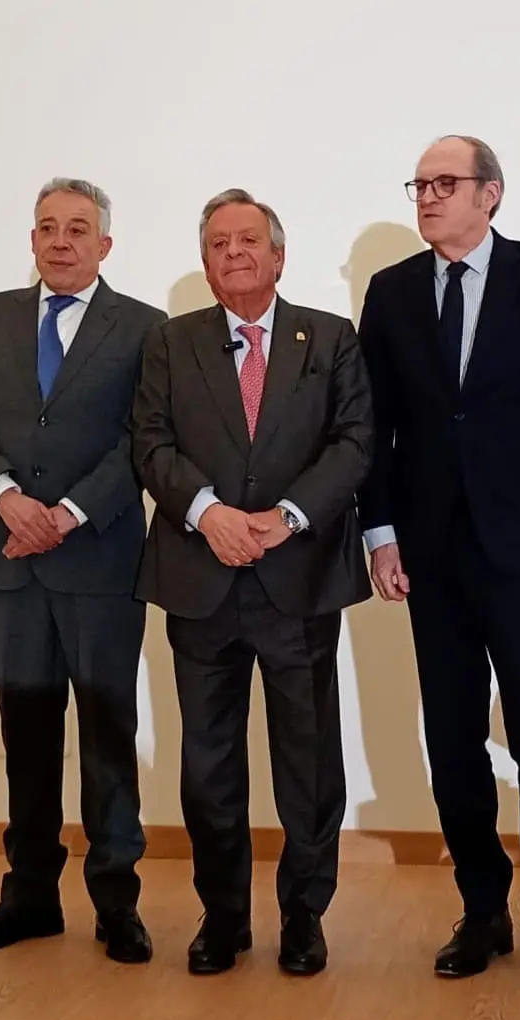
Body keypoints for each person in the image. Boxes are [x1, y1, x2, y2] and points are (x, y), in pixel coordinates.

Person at [355, 136, 520, 998]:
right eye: (418, 184)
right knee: (452, 740)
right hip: (430, 553)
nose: (427, 197)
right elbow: (376, 428)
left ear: (490, 194)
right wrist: (379, 531)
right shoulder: (391, 292)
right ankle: (481, 909)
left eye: (444, 183)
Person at [132, 188, 374, 977]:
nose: (231, 253)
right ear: (203, 264)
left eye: (246, 241)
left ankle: (303, 915)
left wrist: (287, 516)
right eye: (215, 245)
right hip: (200, 580)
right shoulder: (171, 343)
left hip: (297, 582)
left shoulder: (329, 339)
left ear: (277, 255)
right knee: (207, 765)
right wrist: (208, 513)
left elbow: (353, 441)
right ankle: (223, 917)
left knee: (306, 764)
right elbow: (151, 444)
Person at [0, 177, 167, 964]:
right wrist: (11, 502)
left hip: (99, 563)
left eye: (77, 229)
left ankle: (117, 904)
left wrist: (65, 514)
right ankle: (29, 898)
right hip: (8, 563)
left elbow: (144, 439)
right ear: (31, 240)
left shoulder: (144, 328)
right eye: (47, 228)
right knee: (26, 742)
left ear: (105, 244)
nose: (60, 241)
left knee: (108, 738)